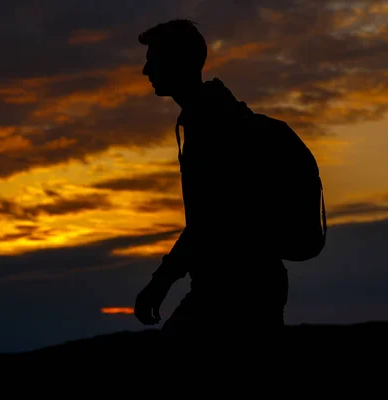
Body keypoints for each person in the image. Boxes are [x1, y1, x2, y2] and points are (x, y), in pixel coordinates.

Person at [133, 19, 289, 350]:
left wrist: (160, 282)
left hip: (235, 289)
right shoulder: (215, 114)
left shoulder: (210, 124)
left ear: (177, 61)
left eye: (154, 59)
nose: (145, 70)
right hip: (250, 283)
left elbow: (210, 220)